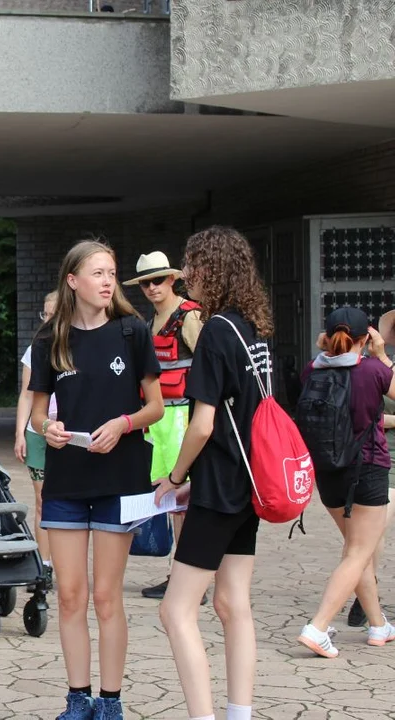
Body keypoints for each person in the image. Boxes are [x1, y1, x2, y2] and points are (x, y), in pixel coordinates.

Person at [29, 240, 164, 720]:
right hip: (66, 480)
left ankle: (110, 702)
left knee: (107, 597)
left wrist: (124, 424)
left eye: (112, 272)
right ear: (73, 281)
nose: (108, 281)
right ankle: (76, 698)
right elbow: (39, 414)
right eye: (98, 273)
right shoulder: (51, 338)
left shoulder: (133, 331)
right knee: (70, 595)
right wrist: (51, 429)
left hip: (120, 479)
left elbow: (156, 406)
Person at [154, 226, 275, 720]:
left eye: (192, 264)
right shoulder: (252, 327)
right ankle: (238, 714)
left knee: (175, 610)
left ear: (213, 269)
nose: (186, 276)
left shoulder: (215, 331)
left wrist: (175, 478)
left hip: (218, 487)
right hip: (251, 485)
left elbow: (202, 425)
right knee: (232, 604)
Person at [295, 307, 395, 658]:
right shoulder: (372, 371)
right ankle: (318, 627)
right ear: (366, 338)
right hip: (366, 470)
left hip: (328, 474)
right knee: (357, 553)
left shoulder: (312, 370)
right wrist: (382, 356)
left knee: (358, 551)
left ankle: (378, 625)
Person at [123, 251, 205, 602]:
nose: (152, 287)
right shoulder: (150, 322)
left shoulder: (189, 316)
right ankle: (180, 574)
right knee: (170, 500)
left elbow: (209, 365)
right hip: (159, 419)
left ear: (172, 279)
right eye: (145, 282)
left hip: (183, 416)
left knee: (182, 497)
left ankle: (188, 580)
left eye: (158, 280)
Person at [346, 310, 395, 627]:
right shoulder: (375, 367)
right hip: (381, 456)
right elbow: (363, 412)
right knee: (370, 534)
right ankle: (364, 597)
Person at [15, 290, 59, 585]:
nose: (48, 318)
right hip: (38, 433)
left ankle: (68, 563)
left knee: (68, 502)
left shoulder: (82, 344)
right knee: (43, 500)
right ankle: (43, 565)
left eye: (53, 312)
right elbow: (27, 394)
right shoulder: (36, 347)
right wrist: (20, 432)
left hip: (70, 434)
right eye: (45, 313)